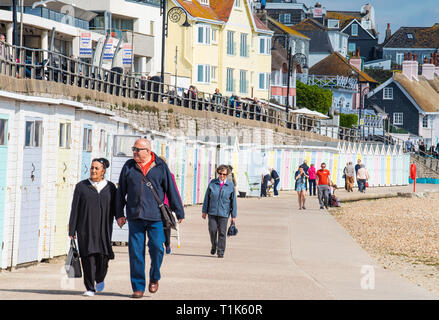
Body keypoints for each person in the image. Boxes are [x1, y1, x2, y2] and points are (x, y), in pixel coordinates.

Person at [115, 138, 184, 298]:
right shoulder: (129, 166)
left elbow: (171, 189)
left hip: (155, 216)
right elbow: (121, 192)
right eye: (133, 149)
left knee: (157, 248)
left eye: (137, 149)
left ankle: (154, 277)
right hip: (135, 215)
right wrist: (119, 214)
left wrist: (178, 210)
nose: (134, 152)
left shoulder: (160, 166)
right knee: (136, 253)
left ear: (147, 151)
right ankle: (138, 287)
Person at [68, 158, 116, 297]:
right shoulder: (81, 186)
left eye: (96, 168)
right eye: (92, 168)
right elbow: (75, 208)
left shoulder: (110, 187)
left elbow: (116, 207)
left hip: (104, 230)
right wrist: (72, 229)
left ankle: (100, 278)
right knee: (88, 259)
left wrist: (120, 217)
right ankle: (89, 288)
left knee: (103, 258)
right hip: (85, 229)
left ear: (103, 171)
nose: (93, 171)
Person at [201, 165, 237, 258]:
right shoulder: (212, 183)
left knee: (222, 232)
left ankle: (220, 252)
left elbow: (233, 201)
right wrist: (204, 211)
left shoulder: (230, 185)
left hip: (224, 213)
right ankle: (214, 245)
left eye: (224, 174)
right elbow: (206, 198)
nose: (221, 176)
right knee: (212, 230)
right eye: (220, 174)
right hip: (212, 212)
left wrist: (233, 216)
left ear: (227, 174)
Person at [159, 156, 182, 255]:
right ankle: (159, 244)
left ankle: (167, 243)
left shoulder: (170, 175)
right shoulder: (150, 175)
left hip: (165, 204)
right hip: (154, 204)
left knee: (166, 224)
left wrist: (178, 209)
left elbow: (174, 191)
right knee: (156, 224)